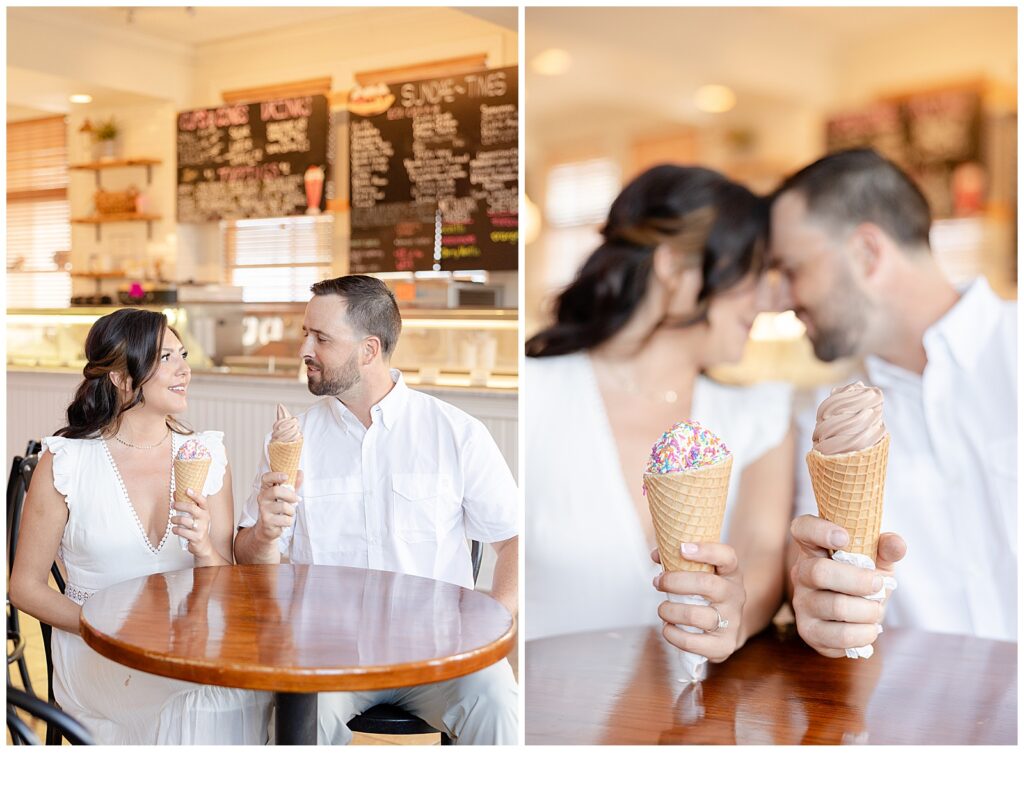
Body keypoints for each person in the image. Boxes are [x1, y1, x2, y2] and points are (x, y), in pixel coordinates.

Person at [525, 164, 794, 665]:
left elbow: (763, 552)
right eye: (754, 272)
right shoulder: (535, 394)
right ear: (673, 266)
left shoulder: (762, 415)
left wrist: (735, 614)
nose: (772, 299)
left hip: (699, 730)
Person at [234, 275, 519, 745]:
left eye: (321, 338)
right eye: (306, 333)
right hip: (324, 655)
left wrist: (496, 619)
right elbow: (247, 561)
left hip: (440, 652)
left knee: (500, 705)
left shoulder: (455, 433)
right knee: (294, 729)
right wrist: (264, 533)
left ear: (369, 350)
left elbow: (513, 537)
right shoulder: (292, 442)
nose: (304, 348)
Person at [769, 148, 1017, 657]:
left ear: (867, 253)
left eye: (791, 268)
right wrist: (817, 605)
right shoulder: (818, 418)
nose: (782, 298)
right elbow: (809, 580)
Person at [9, 308, 272, 744]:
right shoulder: (68, 462)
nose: (185, 368)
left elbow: (225, 586)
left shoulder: (205, 455)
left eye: (183, 354)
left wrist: (204, 547)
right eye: (166, 357)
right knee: (202, 708)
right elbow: (25, 587)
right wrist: (108, 630)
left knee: (251, 695)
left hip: (187, 648)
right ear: (122, 377)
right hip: (97, 655)